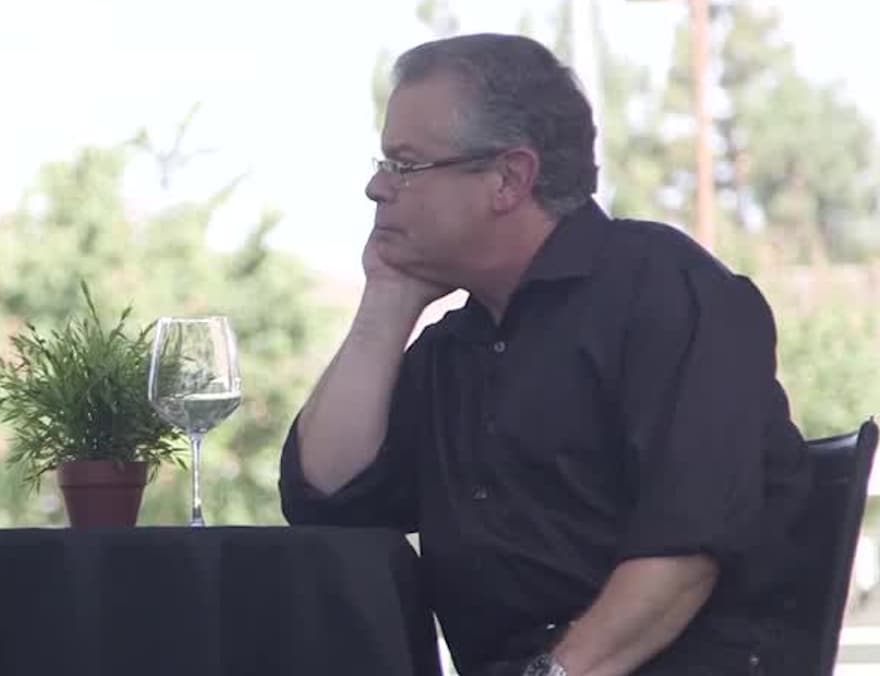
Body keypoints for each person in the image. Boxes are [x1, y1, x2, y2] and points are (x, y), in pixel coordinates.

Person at [279, 33, 813, 675]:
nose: (375, 187)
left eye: (405, 165)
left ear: (509, 178)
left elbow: (684, 551)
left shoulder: (662, 292)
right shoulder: (455, 348)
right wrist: (386, 301)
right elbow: (328, 503)